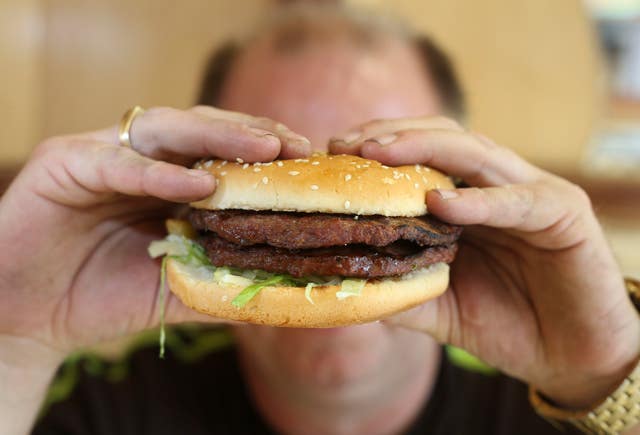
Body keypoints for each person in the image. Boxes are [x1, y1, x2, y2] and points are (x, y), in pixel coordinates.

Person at [1, 4, 638, 435]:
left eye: (373, 157)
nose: (324, 188)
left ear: (465, 190)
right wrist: (13, 344)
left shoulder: (549, 401)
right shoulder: (100, 404)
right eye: (276, 161)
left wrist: (610, 377)